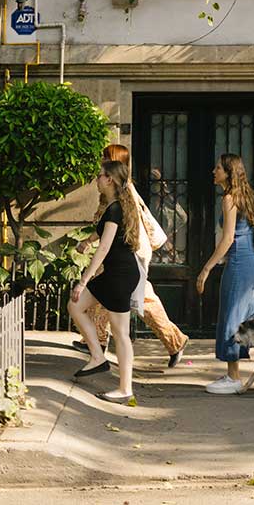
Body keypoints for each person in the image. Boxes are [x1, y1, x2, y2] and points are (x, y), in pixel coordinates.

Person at [74, 144, 189, 368]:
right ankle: (98, 339)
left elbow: (122, 225)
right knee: (123, 295)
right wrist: (89, 241)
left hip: (129, 256)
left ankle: (175, 341)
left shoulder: (123, 191)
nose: (101, 162)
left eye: (105, 158)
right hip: (127, 255)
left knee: (140, 300)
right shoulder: (116, 188)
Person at [69, 160, 140, 402]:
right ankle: (98, 357)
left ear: (109, 179)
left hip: (120, 275)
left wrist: (83, 280)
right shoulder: (114, 206)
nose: (96, 180)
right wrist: (87, 240)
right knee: (75, 306)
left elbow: (105, 247)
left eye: (99, 176)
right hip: (115, 273)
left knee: (121, 333)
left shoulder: (115, 209)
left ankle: (125, 388)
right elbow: (103, 233)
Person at [196, 152, 254, 395]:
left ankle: (234, 377)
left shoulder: (229, 198)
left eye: (217, 169)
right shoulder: (247, 195)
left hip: (238, 260)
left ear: (227, 172)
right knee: (245, 315)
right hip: (250, 259)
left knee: (231, 316)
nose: (214, 172)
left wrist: (206, 269)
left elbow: (227, 239)